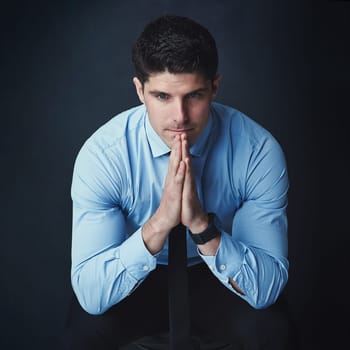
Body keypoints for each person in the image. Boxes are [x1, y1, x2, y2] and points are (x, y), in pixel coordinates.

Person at [63, 14, 299, 350]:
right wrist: (160, 223)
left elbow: (266, 289)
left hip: (216, 270)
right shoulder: (104, 155)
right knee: (82, 334)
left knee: (273, 331)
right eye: (162, 96)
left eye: (194, 95)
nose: (180, 116)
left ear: (214, 86)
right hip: (140, 273)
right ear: (139, 90)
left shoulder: (257, 151)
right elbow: (91, 294)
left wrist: (202, 226)